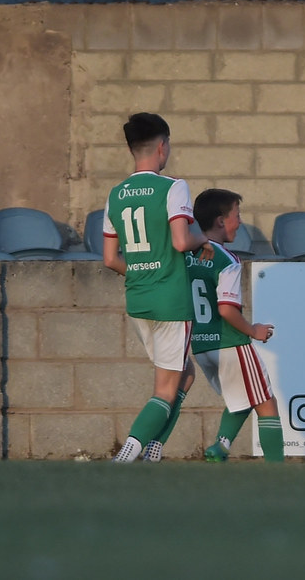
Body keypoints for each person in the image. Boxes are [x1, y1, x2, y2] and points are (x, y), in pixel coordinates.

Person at [103, 112, 213, 463]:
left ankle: (154, 448)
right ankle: (130, 452)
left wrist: (140, 271)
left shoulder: (115, 195)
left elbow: (110, 259)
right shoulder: (172, 187)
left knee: (185, 374)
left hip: (139, 300)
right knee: (165, 389)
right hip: (170, 301)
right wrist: (203, 238)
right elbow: (181, 241)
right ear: (162, 147)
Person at [176, 188, 284, 463]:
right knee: (266, 402)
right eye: (237, 214)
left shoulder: (184, 256)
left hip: (201, 345)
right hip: (230, 342)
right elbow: (226, 309)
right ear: (221, 221)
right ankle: (278, 471)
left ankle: (221, 447)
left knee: (243, 395)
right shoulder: (227, 259)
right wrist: (253, 330)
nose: (240, 221)